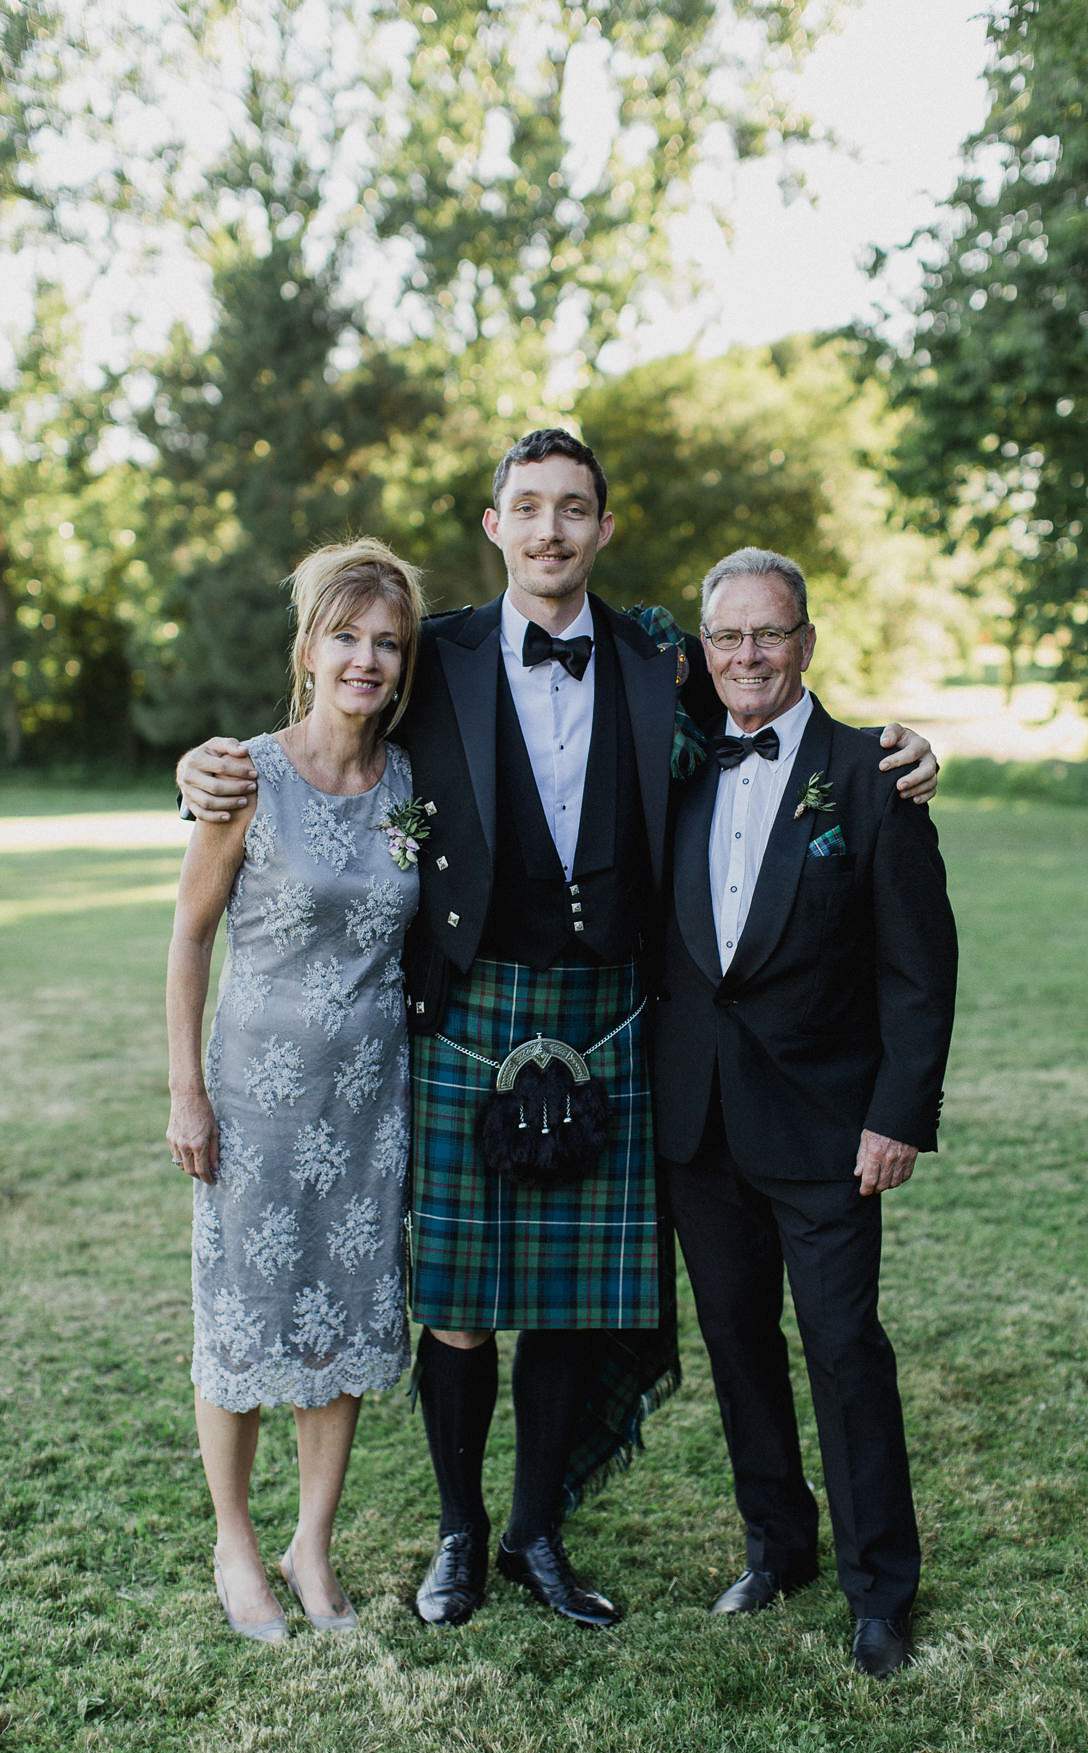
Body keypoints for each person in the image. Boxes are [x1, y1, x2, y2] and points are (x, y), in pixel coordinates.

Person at [177, 429, 940, 1631]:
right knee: (463, 1297)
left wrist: (897, 751)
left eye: (572, 510)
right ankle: (459, 1536)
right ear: (495, 526)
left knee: (575, 1299)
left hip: (613, 1011)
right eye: (526, 509)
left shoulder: (658, 658)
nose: (548, 531)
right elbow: (340, 711)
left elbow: (767, 708)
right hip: (474, 1006)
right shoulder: (438, 654)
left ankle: (538, 1533)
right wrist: (207, 768)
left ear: (602, 530)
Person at [654, 545, 957, 1678]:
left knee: (841, 1348)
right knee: (737, 1345)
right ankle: (777, 1546)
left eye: (768, 634)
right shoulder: (676, 760)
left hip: (831, 1129)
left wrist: (898, 1116)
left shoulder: (871, 772)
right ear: (703, 648)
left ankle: (882, 1588)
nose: (747, 656)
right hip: (698, 1124)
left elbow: (921, 970)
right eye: (726, 636)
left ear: (807, 643)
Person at [166, 539, 425, 1640]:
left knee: (346, 1316)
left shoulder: (414, 779)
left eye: (387, 643)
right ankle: (236, 1545)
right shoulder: (245, 773)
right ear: (308, 648)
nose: (366, 660)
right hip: (256, 1102)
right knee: (243, 1319)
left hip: (370, 1100)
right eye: (347, 637)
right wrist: (187, 1090)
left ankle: (312, 1549)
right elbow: (188, 937)